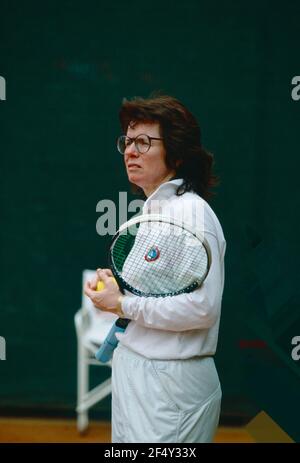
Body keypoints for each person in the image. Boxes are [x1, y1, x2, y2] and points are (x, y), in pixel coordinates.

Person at [84, 94, 226, 443]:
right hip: (136, 375)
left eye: (143, 142)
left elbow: (202, 308)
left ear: (177, 152)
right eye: (127, 142)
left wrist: (123, 304)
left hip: (171, 388)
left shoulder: (193, 216)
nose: (130, 151)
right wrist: (116, 288)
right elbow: (151, 293)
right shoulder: (151, 213)